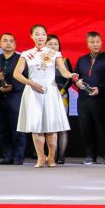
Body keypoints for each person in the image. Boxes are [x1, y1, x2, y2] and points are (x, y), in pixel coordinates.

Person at [12, 25, 76, 168]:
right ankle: (41, 157)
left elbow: (64, 72)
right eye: (37, 34)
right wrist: (30, 83)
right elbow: (16, 74)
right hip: (33, 92)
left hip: (50, 91)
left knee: (51, 127)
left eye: (43, 34)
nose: (40, 37)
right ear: (31, 36)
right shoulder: (26, 54)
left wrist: (71, 75)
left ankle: (51, 157)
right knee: (36, 127)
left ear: (46, 36)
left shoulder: (55, 53)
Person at [72, 31, 105, 165]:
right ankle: (90, 155)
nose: (95, 44)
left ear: (101, 42)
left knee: (104, 127)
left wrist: (100, 88)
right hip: (83, 100)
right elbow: (75, 76)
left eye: (97, 42)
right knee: (85, 127)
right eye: (92, 42)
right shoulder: (82, 60)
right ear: (87, 44)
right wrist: (77, 82)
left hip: (101, 99)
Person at [0, 33, 27, 165]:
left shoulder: (22, 59)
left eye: (11, 41)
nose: (8, 43)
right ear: (0, 43)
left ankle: (18, 157)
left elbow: (28, 79)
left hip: (16, 98)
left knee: (18, 130)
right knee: (3, 131)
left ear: (15, 44)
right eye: (5, 41)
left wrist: (13, 87)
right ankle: (7, 156)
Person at [45, 34, 74, 164]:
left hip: (61, 96)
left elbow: (69, 79)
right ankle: (50, 155)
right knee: (48, 127)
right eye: (50, 44)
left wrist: (62, 91)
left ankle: (61, 157)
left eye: (56, 44)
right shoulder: (40, 61)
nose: (53, 46)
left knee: (62, 126)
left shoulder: (64, 60)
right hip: (45, 96)